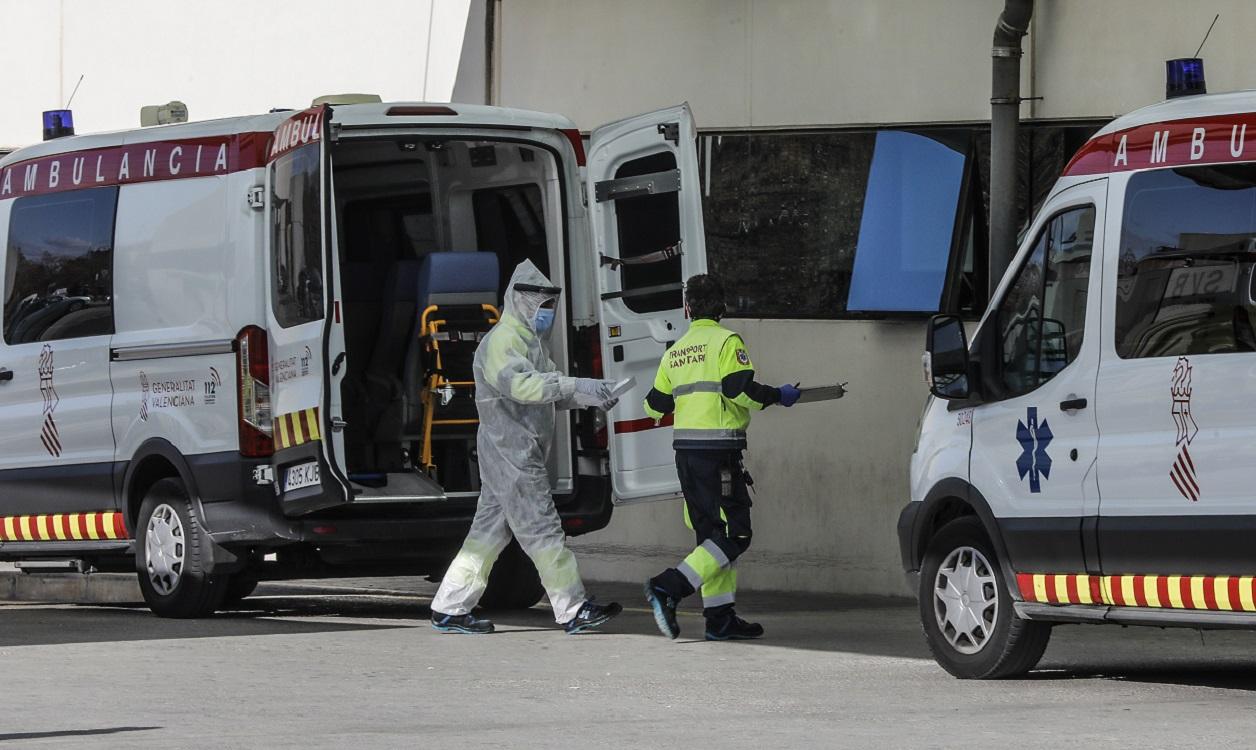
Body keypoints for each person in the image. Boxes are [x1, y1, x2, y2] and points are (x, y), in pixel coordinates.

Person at [430, 260, 623, 635]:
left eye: (550, 305)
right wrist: (575, 385)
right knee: (544, 529)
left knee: (486, 535)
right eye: (542, 305)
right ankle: (572, 607)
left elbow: (547, 393)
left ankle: (449, 607)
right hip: (513, 452)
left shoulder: (529, 342)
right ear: (521, 302)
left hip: (514, 451)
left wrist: (590, 396)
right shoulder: (503, 342)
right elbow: (525, 388)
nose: (547, 312)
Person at [641, 274, 800, 641]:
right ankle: (669, 586)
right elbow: (739, 390)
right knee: (734, 534)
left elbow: (654, 406)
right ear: (723, 306)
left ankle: (720, 618)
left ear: (687, 308)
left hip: (686, 457)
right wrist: (779, 395)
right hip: (718, 454)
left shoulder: (676, 350)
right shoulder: (727, 341)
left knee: (711, 537)